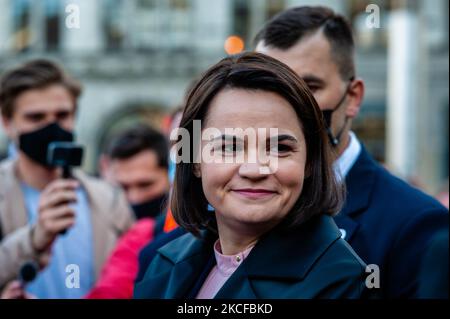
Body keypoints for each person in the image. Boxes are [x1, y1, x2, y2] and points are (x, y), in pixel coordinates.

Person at [134, 52, 371, 299]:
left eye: (280, 148)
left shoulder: (342, 285)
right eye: (228, 148)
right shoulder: (163, 264)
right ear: (194, 161)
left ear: (309, 162)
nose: (254, 169)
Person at [254, 6, 449, 298]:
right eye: (271, 88)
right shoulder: (228, 212)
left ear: (353, 97)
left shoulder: (416, 225)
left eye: (309, 87)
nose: (289, 106)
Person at [0, 59, 134, 298]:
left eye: (62, 115)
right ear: (7, 123)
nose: (51, 127)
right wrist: (34, 239)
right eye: (36, 117)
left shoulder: (109, 199)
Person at [86, 125, 170, 298]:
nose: (134, 198)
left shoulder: (184, 234)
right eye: (122, 187)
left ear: (171, 176)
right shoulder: (87, 228)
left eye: (145, 185)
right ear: (105, 169)